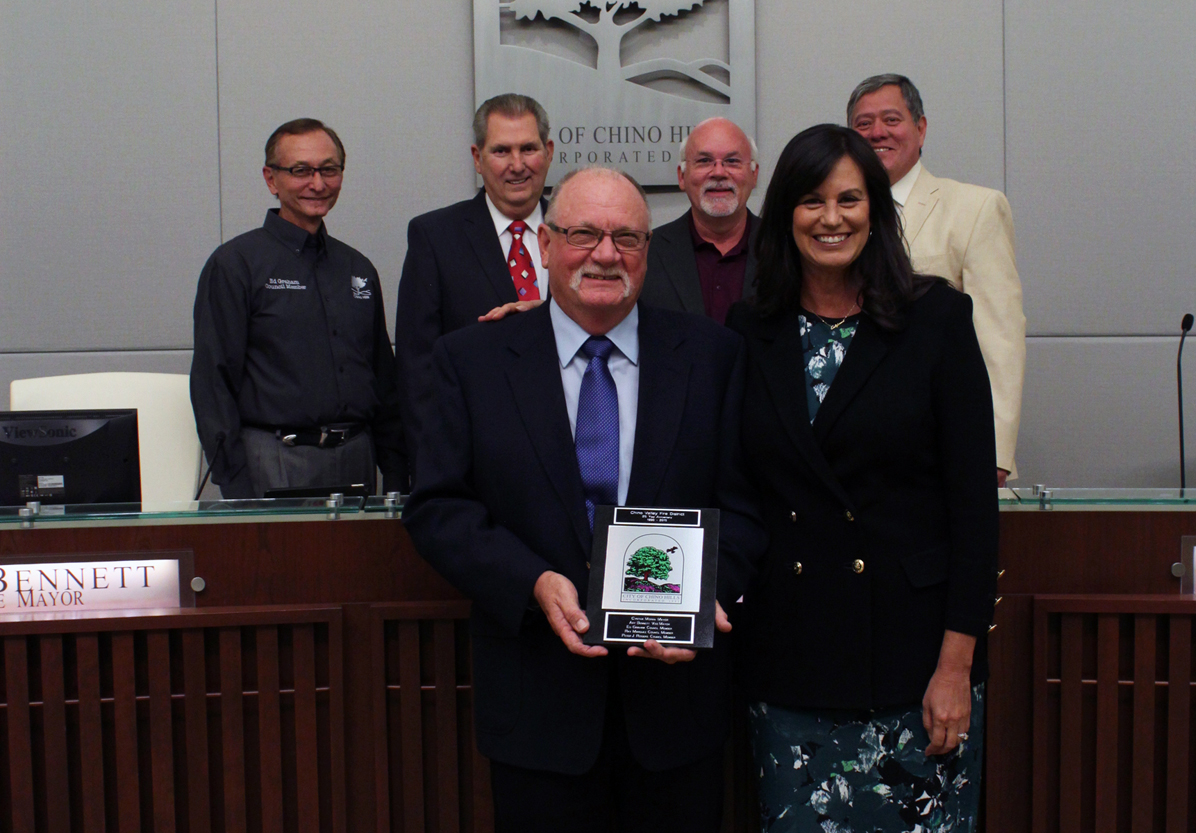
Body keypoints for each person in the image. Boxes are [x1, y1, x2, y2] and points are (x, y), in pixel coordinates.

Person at [403, 166, 766, 832]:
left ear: (648, 253)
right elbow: (438, 508)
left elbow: (746, 503)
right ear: (545, 244)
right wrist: (532, 580)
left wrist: (707, 592)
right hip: (537, 704)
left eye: (627, 237)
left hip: (676, 709)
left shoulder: (713, 357)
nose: (606, 254)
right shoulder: (472, 359)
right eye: (584, 234)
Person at [726, 125, 999, 831]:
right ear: (786, 212)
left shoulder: (935, 319)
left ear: (876, 210)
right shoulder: (749, 328)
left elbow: (974, 512)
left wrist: (955, 667)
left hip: (913, 666)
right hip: (789, 663)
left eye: (850, 198)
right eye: (812, 200)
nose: (832, 217)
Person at [190, 118, 407, 498]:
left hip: (357, 457)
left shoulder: (357, 268)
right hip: (273, 461)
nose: (317, 184)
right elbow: (213, 383)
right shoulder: (236, 264)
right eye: (301, 171)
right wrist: (236, 485)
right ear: (271, 180)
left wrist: (396, 473)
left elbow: (383, 382)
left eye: (329, 170)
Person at [849, 73, 1025, 487]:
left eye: (891, 120)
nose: (877, 133)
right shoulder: (833, 216)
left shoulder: (975, 208)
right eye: (863, 124)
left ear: (921, 128)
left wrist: (994, 453)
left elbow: (999, 337)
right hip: (853, 448)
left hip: (942, 442)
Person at [395, 93, 554, 462]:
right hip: (477, 456)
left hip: (572, 453)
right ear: (477, 159)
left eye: (528, 148)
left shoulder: (577, 233)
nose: (517, 165)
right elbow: (417, 369)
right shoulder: (435, 236)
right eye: (501, 151)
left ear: (547, 152)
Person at [641, 117, 760, 324]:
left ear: (754, 174)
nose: (719, 172)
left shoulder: (787, 249)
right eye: (704, 161)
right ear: (681, 176)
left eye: (732, 161)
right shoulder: (646, 252)